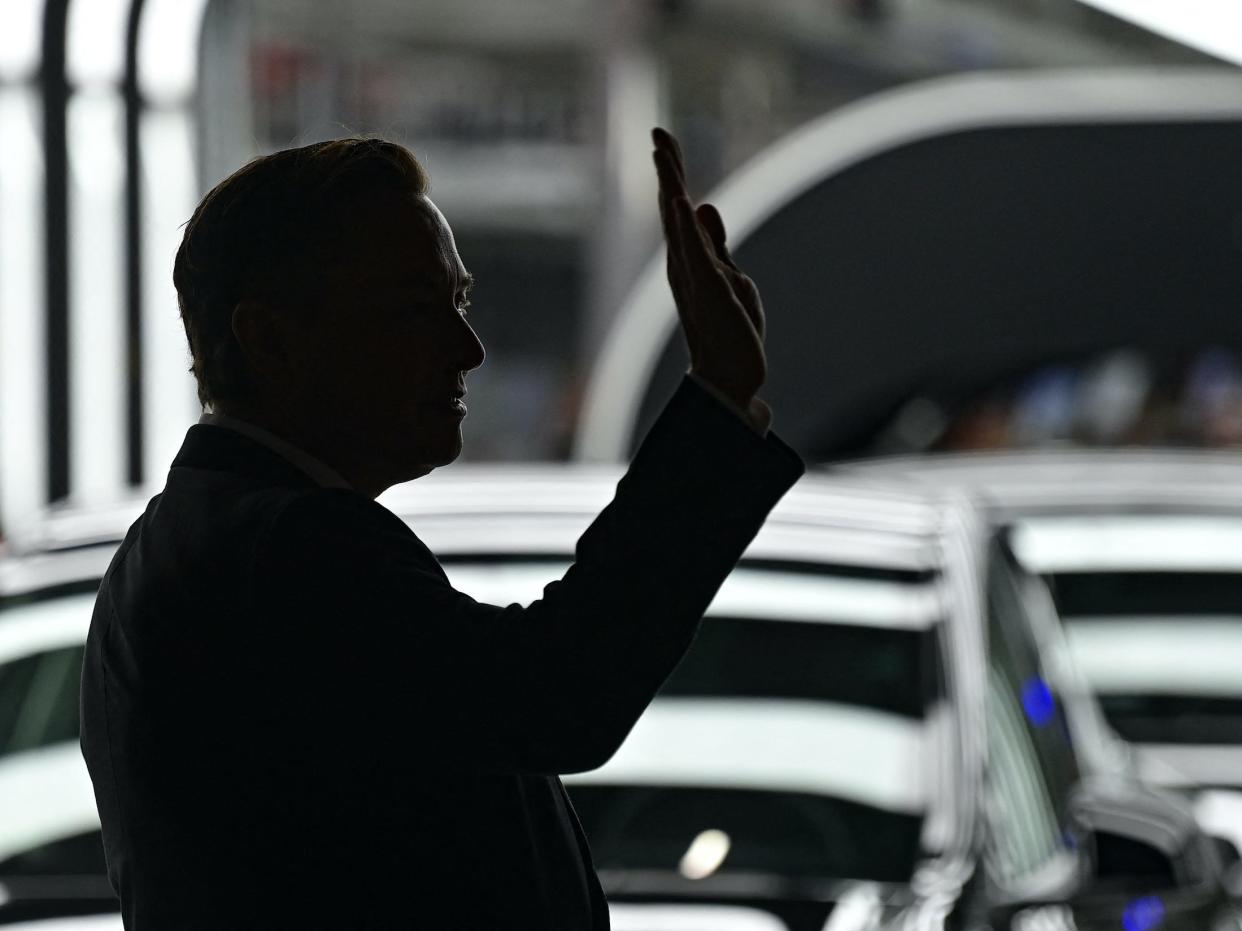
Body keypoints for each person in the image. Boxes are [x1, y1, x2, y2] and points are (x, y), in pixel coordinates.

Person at [79, 127, 803, 929]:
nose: (468, 347)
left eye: (457, 300)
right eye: (414, 308)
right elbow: (557, 693)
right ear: (272, 339)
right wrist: (718, 399)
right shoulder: (289, 550)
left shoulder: (190, 547)